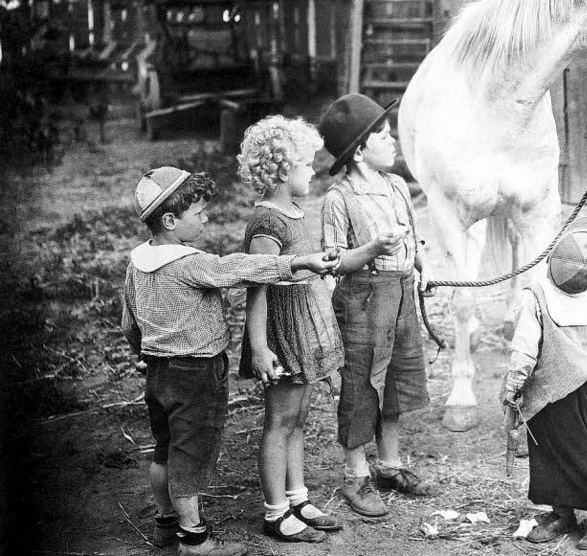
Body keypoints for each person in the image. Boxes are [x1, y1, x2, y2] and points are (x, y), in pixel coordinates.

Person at [121, 167, 338, 556]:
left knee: (164, 449)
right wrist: (298, 263)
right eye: (199, 213)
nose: (206, 218)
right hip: (196, 374)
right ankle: (195, 539)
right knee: (192, 454)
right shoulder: (190, 262)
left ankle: (166, 522)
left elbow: (128, 321)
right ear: (170, 221)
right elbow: (239, 268)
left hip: (158, 372)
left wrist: (146, 352)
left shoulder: (136, 262)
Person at [319, 93, 434, 518]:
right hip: (363, 300)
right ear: (361, 150)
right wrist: (371, 248)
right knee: (362, 383)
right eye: (385, 136)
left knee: (399, 380)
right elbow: (334, 264)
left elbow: (414, 236)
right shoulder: (339, 198)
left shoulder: (397, 185)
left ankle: (389, 465)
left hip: (402, 292)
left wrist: (423, 265)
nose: (394, 142)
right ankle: (355, 476)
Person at [236, 116, 345, 543]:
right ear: (282, 170)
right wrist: (260, 349)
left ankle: (297, 496)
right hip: (281, 328)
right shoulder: (267, 223)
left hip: (304, 322)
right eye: (305, 164)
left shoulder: (297, 212)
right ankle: (275, 511)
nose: (312, 171)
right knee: (278, 421)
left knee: (298, 418)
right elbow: (257, 290)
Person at [502, 216, 587, 550]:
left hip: (556, 398)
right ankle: (562, 513)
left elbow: (524, 350)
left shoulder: (533, 297)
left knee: (573, 457)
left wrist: (513, 387)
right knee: (568, 454)